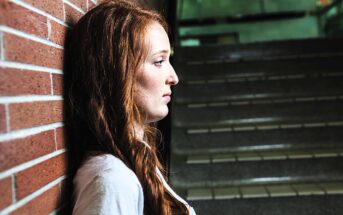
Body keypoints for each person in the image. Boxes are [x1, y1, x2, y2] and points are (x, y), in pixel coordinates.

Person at [64, 0, 196, 214]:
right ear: (118, 73)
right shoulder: (111, 179)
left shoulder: (136, 158)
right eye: (159, 61)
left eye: (168, 59)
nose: (174, 78)